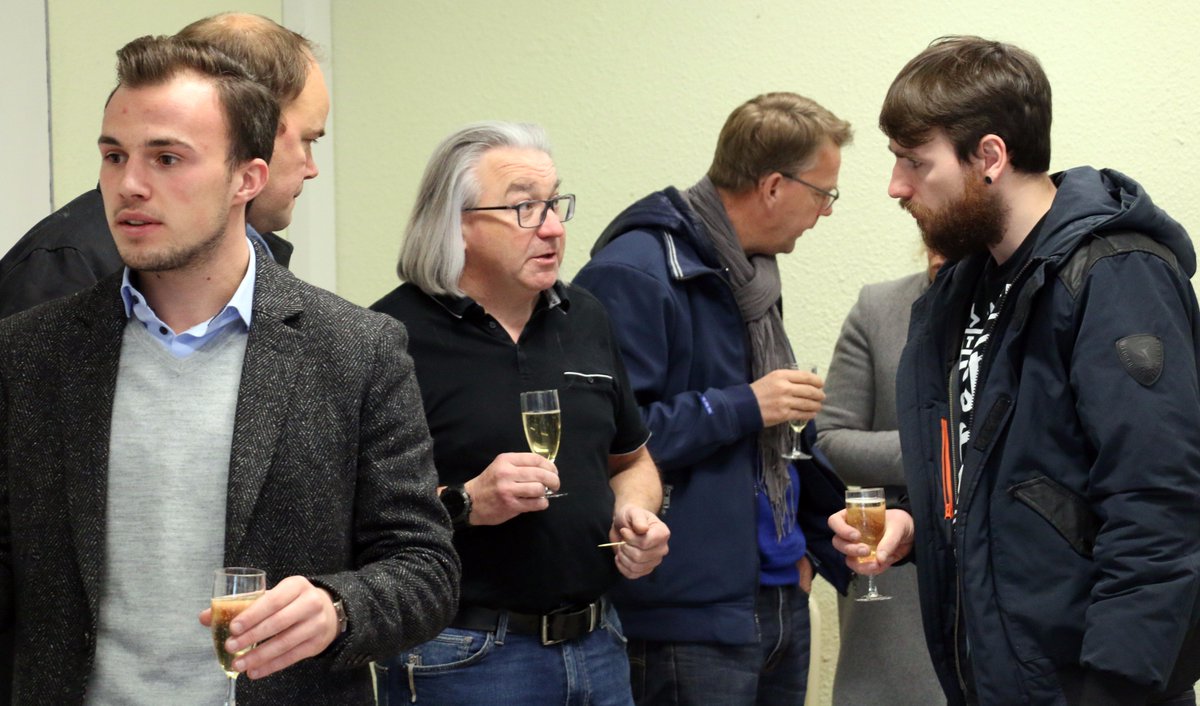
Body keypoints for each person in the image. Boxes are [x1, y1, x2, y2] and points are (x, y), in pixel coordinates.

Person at [0, 35, 458, 704]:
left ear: (247, 178)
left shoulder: (356, 351)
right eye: (113, 156)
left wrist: (338, 606)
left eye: (167, 158)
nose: (129, 184)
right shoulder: (30, 352)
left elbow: (424, 567)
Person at [828, 35, 1200, 706]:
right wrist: (919, 525)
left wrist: (1113, 690)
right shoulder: (967, 291)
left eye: (915, 162)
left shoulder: (1114, 273)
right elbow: (1015, 480)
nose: (896, 187)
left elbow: (1159, 507)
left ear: (990, 157)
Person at [370, 121, 670, 705]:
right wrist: (465, 503)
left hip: (599, 644)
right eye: (525, 208)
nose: (554, 228)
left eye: (555, 203)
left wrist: (636, 517)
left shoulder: (585, 316)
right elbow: (355, 518)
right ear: (458, 223)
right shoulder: (389, 338)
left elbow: (633, 461)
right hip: (462, 653)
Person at [573, 92, 853, 705]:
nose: (827, 211)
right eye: (824, 193)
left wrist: (807, 555)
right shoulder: (635, 272)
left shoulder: (749, 279)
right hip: (685, 615)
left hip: (777, 593)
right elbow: (606, 439)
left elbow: (771, 440)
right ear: (774, 185)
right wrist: (745, 404)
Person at [0, 11, 329, 319]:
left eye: (166, 159)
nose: (311, 167)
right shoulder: (68, 263)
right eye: (307, 140)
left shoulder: (263, 265)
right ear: (258, 130)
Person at [814, 246, 946, 706]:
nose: (936, 250)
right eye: (927, 235)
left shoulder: (1022, 306)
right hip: (892, 582)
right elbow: (831, 438)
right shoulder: (879, 308)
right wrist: (940, 455)